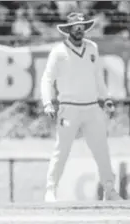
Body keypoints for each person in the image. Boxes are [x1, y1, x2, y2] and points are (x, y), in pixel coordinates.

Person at [41, 12, 123, 202]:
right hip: (69, 107)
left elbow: (97, 77)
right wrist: (48, 102)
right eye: (76, 27)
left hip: (92, 107)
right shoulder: (59, 51)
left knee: (101, 150)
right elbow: (47, 79)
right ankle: (51, 190)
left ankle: (109, 190)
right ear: (68, 29)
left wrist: (106, 99)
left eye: (82, 26)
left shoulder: (92, 48)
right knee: (62, 150)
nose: (79, 30)